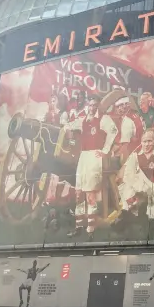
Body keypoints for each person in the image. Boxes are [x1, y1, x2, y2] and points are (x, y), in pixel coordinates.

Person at [63, 95, 118, 240]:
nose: (92, 108)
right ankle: (79, 226)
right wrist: (69, 134)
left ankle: (90, 229)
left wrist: (105, 150)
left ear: (98, 106)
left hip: (94, 157)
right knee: (78, 192)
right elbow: (68, 125)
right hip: (83, 157)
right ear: (87, 106)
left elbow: (113, 131)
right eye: (90, 105)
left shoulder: (103, 119)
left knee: (90, 195)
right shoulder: (82, 120)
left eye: (95, 105)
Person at [117, 129, 154, 230]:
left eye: (149, 141)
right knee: (126, 187)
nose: (146, 144)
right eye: (144, 141)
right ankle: (127, 214)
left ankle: (153, 219)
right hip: (138, 185)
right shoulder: (136, 154)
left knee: (153, 216)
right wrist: (141, 189)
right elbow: (128, 176)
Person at [110, 96, 140, 164]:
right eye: (117, 107)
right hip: (117, 148)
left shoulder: (129, 120)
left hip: (130, 149)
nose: (117, 109)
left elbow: (130, 141)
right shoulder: (112, 120)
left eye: (119, 106)